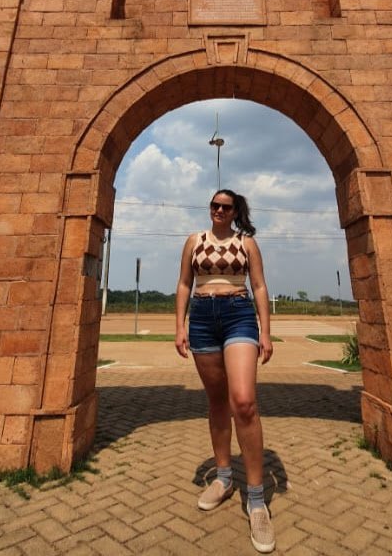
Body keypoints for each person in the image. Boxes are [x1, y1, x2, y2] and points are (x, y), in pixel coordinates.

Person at [175, 189, 275, 554]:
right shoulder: (194, 241)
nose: (219, 210)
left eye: (226, 206)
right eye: (214, 205)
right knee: (217, 403)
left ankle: (257, 498)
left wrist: (266, 331)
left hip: (238, 314)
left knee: (244, 402)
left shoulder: (246, 244)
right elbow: (185, 283)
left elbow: (260, 286)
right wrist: (180, 326)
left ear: (235, 211)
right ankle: (222, 478)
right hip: (202, 318)